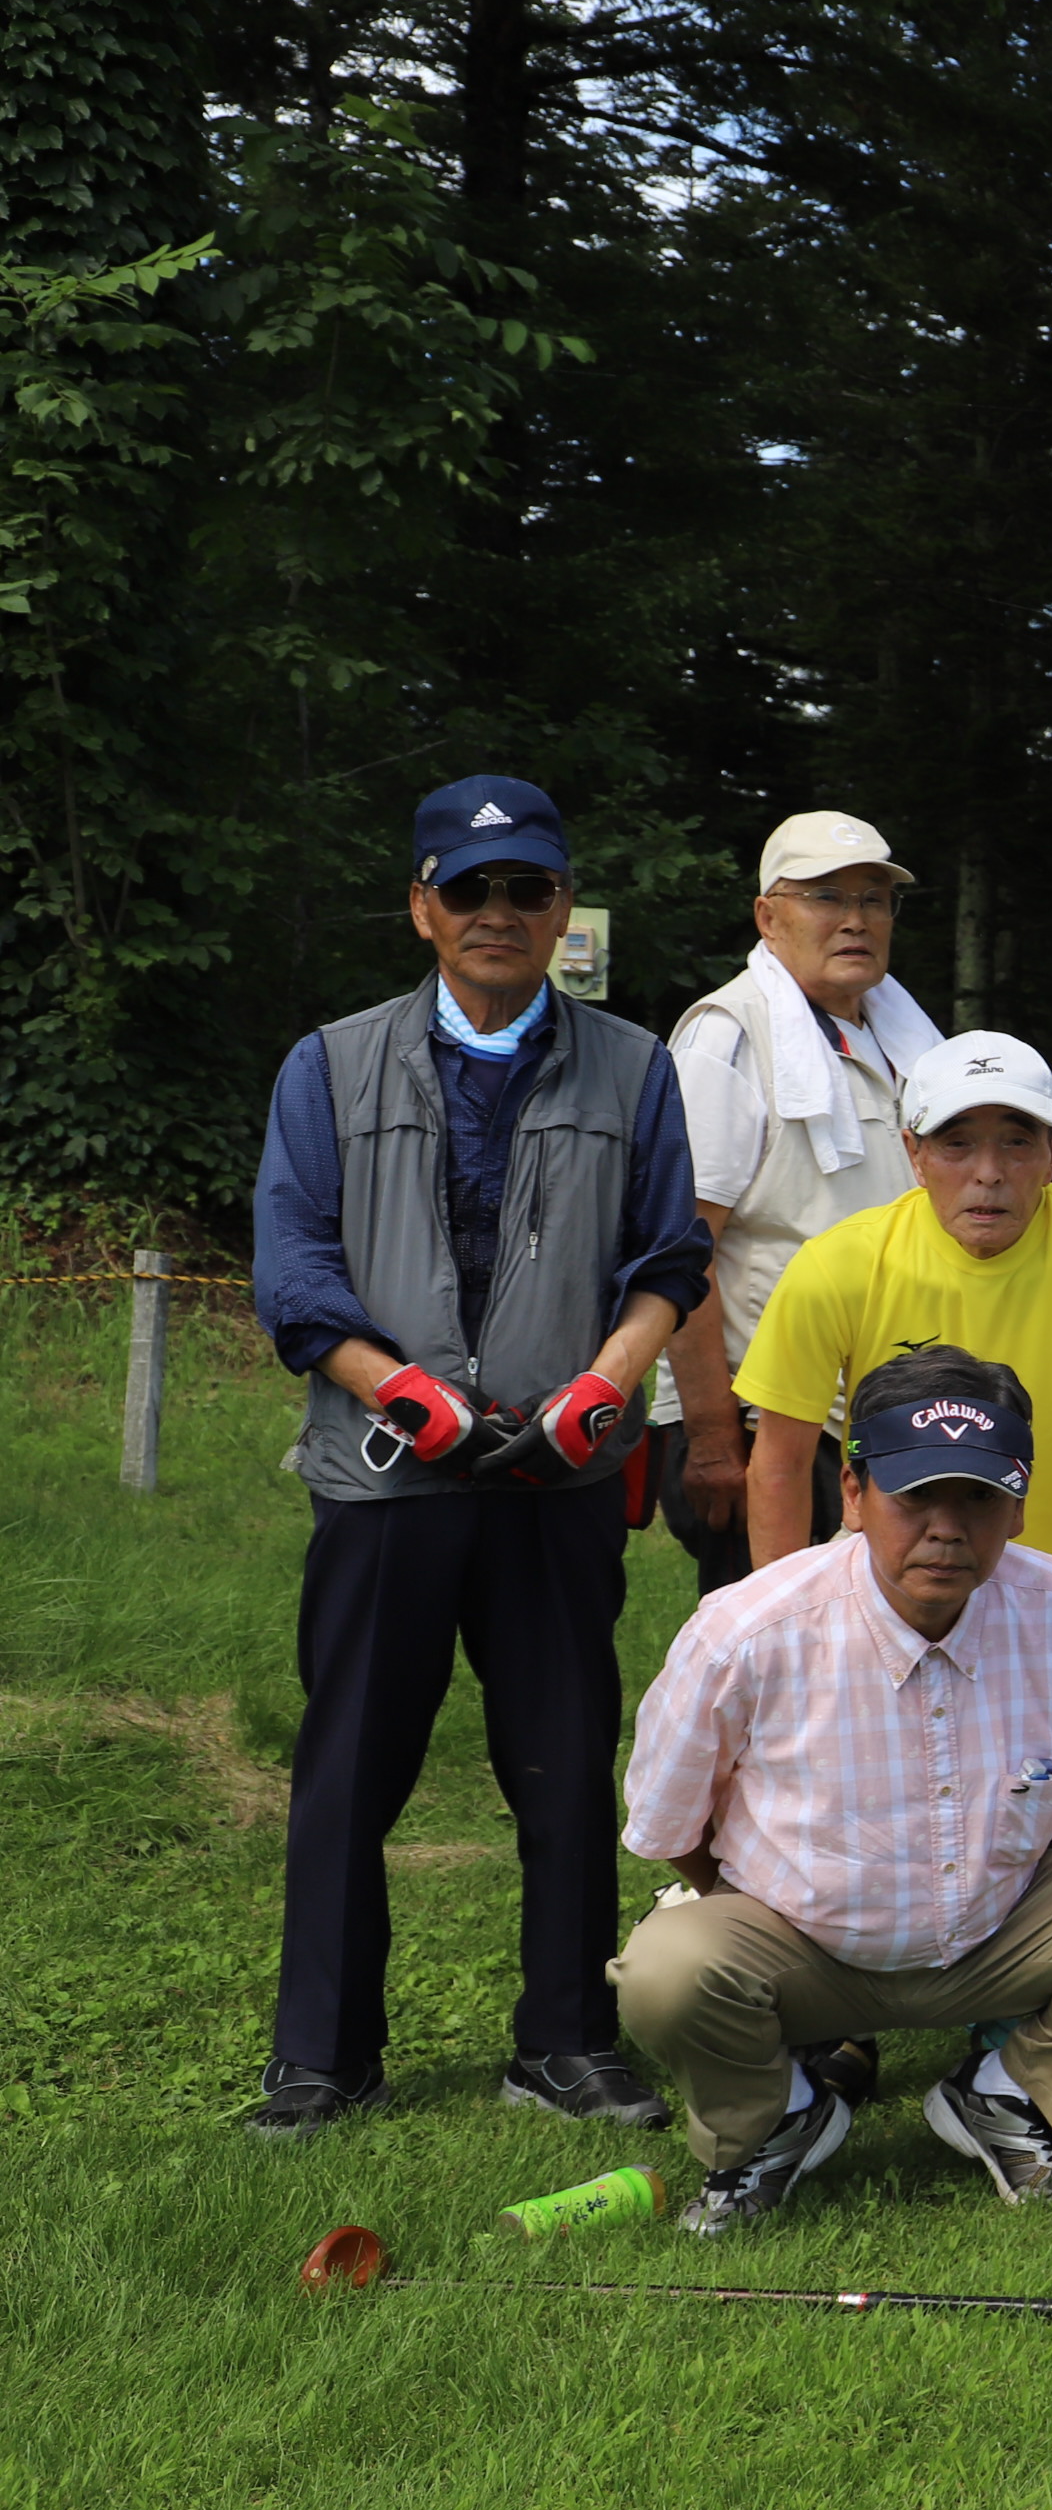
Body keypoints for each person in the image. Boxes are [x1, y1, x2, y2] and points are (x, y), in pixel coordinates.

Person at [245, 773, 713, 2139]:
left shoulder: (636, 1066)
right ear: (421, 907)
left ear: (564, 907)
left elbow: (668, 1259)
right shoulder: (326, 1064)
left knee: (566, 1763)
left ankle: (563, 2042)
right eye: (470, 888)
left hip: (553, 1479)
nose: (498, 912)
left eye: (527, 890)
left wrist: (604, 1387)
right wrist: (395, 1386)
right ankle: (324, 2058)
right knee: (349, 1772)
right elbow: (295, 1272)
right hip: (384, 1476)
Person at [613, 1350, 1052, 2230]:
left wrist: (1008, 1904)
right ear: (855, 1494)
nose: (946, 1529)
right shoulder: (746, 1631)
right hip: (801, 1946)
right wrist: (780, 1915)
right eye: (915, 1498)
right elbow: (676, 1830)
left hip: (996, 1934)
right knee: (667, 1967)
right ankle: (774, 2120)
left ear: (1017, 1506)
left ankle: (1010, 2096)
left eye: (977, 1499)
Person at [732, 1033, 1052, 1916]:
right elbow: (778, 1458)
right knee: (836, 1772)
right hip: (889, 1565)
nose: (987, 1173)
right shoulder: (837, 1263)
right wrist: (780, 1628)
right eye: (957, 1143)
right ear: (913, 1152)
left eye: (1016, 1141)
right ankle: (842, 2009)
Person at [651, 810, 945, 1595]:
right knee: (777, 1665)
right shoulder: (730, 1035)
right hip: (769, 1421)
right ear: (767, 915)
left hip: (889, 1411)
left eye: (876, 899)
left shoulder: (907, 1039)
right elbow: (681, 1249)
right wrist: (713, 1438)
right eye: (825, 896)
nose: (855, 919)